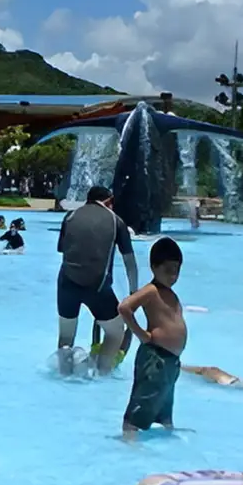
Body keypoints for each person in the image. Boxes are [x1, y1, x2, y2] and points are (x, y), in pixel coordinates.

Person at [55, 186, 138, 376]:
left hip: (66, 284)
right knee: (116, 331)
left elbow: (61, 249)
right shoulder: (116, 221)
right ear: (108, 201)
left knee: (66, 338)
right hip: (97, 287)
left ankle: (63, 376)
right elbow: (129, 261)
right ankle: (103, 372)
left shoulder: (70, 216)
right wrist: (134, 292)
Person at [119, 237, 186, 440]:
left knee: (164, 407)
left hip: (170, 362)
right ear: (154, 267)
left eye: (177, 270)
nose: (173, 276)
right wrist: (143, 335)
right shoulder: (151, 291)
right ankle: (129, 442)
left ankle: (168, 442)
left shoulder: (170, 294)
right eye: (168, 270)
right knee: (140, 406)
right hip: (154, 358)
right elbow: (124, 307)